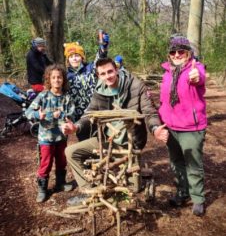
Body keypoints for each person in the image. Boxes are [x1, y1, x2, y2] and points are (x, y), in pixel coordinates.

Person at [61, 57, 168, 206]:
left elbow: (149, 111)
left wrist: (155, 129)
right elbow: (89, 113)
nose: (108, 76)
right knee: (71, 151)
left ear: (116, 70)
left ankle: (128, 178)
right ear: (98, 76)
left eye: (110, 71)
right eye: (103, 74)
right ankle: (89, 191)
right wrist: (76, 127)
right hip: (106, 140)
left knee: (133, 189)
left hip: (130, 142)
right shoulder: (100, 89)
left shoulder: (135, 85)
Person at [158, 35, 207, 216]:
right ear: (169, 55)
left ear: (188, 53)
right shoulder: (167, 73)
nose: (177, 55)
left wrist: (197, 76)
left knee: (193, 164)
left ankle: (198, 198)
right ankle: (182, 192)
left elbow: (199, 77)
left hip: (191, 128)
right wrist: (160, 120)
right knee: (176, 162)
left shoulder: (195, 68)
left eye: (181, 51)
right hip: (171, 127)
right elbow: (164, 101)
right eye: (173, 52)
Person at [25, 64, 75, 203]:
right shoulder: (43, 95)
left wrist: (63, 115)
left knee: (61, 161)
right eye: (53, 77)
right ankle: (42, 190)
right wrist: (37, 114)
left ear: (63, 80)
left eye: (59, 77)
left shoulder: (67, 98)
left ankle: (60, 183)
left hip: (61, 137)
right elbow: (28, 112)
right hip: (45, 138)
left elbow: (73, 114)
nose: (56, 80)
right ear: (48, 79)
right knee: (46, 163)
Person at [64, 30, 109, 141]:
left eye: (77, 55)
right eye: (71, 56)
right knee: (84, 140)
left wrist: (102, 47)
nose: (74, 58)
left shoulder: (90, 68)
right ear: (68, 59)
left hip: (97, 110)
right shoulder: (65, 76)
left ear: (82, 57)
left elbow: (100, 60)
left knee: (101, 138)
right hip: (80, 115)